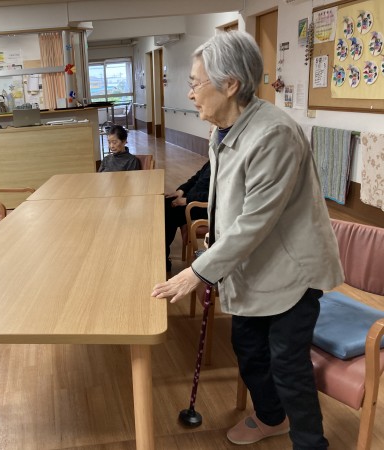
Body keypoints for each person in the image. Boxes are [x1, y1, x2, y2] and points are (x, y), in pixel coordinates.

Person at [151, 31, 343, 450]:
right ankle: (272, 417)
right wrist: (212, 249)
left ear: (230, 84)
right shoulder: (223, 129)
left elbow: (255, 221)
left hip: (292, 270)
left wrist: (198, 272)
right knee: (248, 348)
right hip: (254, 265)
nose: (190, 93)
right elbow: (227, 203)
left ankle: (311, 443)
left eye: (196, 83)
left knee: (287, 363)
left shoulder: (274, 134)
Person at [164, 161, 210, 271]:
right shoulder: (214, 157)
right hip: (193, 199)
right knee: (164, 202)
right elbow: (196, 178)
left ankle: (163, 257)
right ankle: (161, 251)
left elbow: (216, 194)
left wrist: (188, 199)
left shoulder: (227, 164)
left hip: (205, 206)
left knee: (170, 212)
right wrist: (181, 191)